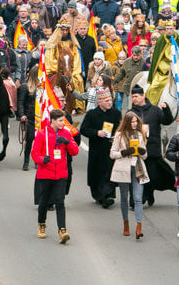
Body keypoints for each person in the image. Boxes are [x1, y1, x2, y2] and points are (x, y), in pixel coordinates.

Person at [31, 109, 79, 244]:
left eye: (63, 120)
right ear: (52, 121)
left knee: (60, 201)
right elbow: (34, 153)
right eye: (60, 121)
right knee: (44, 201)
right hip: (45, 174)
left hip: (61, 174)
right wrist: (41, 159)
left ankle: (62, 230)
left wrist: (67, 142)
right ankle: (41, 224)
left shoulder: (66, 133)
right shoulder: (42, 134)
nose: (63, 123)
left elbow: (75, 151)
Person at [129, 85, 175, 206]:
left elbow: (167, 121)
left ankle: (150, 194)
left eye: (136, 96)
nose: (134, 99)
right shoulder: (131, 112)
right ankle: (138, 200)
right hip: (137, 151)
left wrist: (166, 110)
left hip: (153, 150)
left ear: (143, 96)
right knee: (139, 176)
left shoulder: (154, 110)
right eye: (132, 96)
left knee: (155, 175)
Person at [110, 111, 149, 239]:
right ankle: (126, 223)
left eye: (136, 121)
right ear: (127, 122)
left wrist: (142, 151)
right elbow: (112, 154)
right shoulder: (119, 135)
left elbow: (145, 155)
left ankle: (139, 226)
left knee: (138, 198)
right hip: (123, 169)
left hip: (138, 168)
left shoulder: (139, 134)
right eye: (132, 122)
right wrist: (125, 152)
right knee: (124, 198)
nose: (134, 124)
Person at [79, 87, 120, 208]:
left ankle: (107, 196)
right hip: (97, 149)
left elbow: (120, 127)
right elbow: (84, 129)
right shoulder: (92, 114)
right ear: (99, 102)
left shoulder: (116, 113)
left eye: (110, 100)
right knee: (97, 173)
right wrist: (97, 133)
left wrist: (115, 135)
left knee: (109, 172)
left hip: (110, 148)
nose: (109, 102)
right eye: (106, 100)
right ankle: (99, 196)